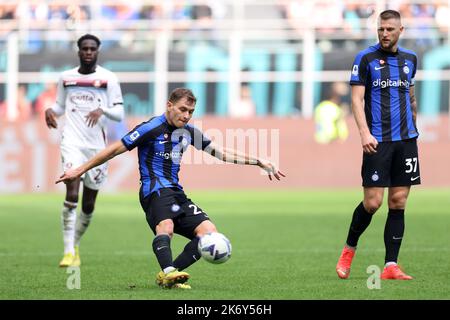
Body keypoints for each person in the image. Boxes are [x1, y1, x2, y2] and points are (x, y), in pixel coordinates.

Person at [56, 88, 285, 290]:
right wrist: (79, 170)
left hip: (176, 192)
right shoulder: (151, 127)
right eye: (182, 109)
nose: (186, 116)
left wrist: (257, 160)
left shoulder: (189, 131)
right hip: (154, 190)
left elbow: (221, 152)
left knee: (209, 233)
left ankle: (169, 273)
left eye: (191, 112)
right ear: (169, 105)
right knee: (165, 227)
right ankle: (169, 272)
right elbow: (115, 148)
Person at [336, 10, 420, 281]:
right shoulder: (365, 59)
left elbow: (410, 94)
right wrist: (364, 133)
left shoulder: (410, 59)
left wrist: (414, 125)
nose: (385, 34)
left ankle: (390, 266)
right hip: (378, 141)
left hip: (406, 141)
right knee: (372, 203)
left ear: (400, 30)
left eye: (390, 29)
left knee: (398, 201)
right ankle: (349, 249)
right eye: (381, 29)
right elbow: (357, 100)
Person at [45, 34, 124, 268]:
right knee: (71, 194)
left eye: (92, 49)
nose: (88, 52)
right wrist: (51, 111)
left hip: (97, 149)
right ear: (78, 51)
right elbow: (60, 105)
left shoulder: (108, 78)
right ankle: (68, 251)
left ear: (98, 51)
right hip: (72, 143)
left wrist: (103, 110)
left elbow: (119, 113)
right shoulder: (66, 78)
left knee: (88, 206)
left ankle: (75, 244)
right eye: (85, 49)